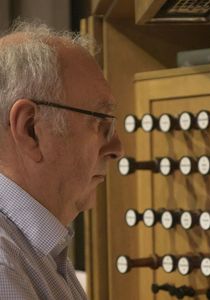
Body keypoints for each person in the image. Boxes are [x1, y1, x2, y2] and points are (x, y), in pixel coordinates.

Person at [0, 20, 123, 299]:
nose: (117, 148)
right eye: (100, 122)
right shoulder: (3, 265)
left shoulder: (37, 245)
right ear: (30, 129)